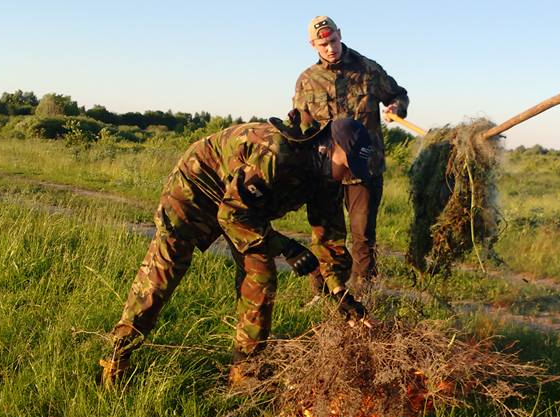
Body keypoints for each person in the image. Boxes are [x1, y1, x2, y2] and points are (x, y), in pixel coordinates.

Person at [99, 114, 377, 389]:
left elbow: (329, 239)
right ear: (327, 148)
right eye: (348, 165)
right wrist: (287, 247)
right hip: (196, 188)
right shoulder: (276, 154)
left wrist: (341, 294)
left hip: (243, 208)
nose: (349, 175)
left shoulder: (328, 177)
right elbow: (232, 214)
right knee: (165, 270)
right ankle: (119, 355)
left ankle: (245, 373)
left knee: (261, 280)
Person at [294, 15, 409, 293]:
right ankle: (322, 296)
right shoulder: (307, 81)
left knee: (363, 237)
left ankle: (364, 297)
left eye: (333, 41)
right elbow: (301, 127)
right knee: (326, 237)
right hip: (327, 171)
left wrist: (396, 108)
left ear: (340, 35)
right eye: (323, 45)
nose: (330, 48)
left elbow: (399, 94)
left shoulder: (369, 70)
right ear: (313, 45)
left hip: (364, 169)